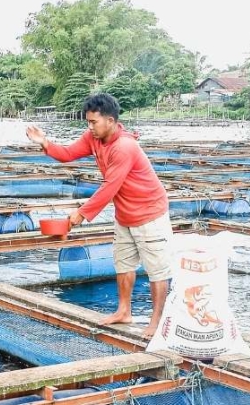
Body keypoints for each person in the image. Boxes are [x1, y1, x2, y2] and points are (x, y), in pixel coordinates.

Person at [25, 93, 172, 338]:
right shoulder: (94, 138)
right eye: (88, 122)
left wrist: (82, 214)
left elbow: (110, 186)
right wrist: (45, 143)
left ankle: (156, 323)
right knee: (123, 263)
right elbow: (68, 154)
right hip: (125, 213)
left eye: (93, 122)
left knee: (157, 270)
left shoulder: (125, 147)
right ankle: (124, 311)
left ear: (111, 121)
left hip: (149, 213)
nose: (90, 127)